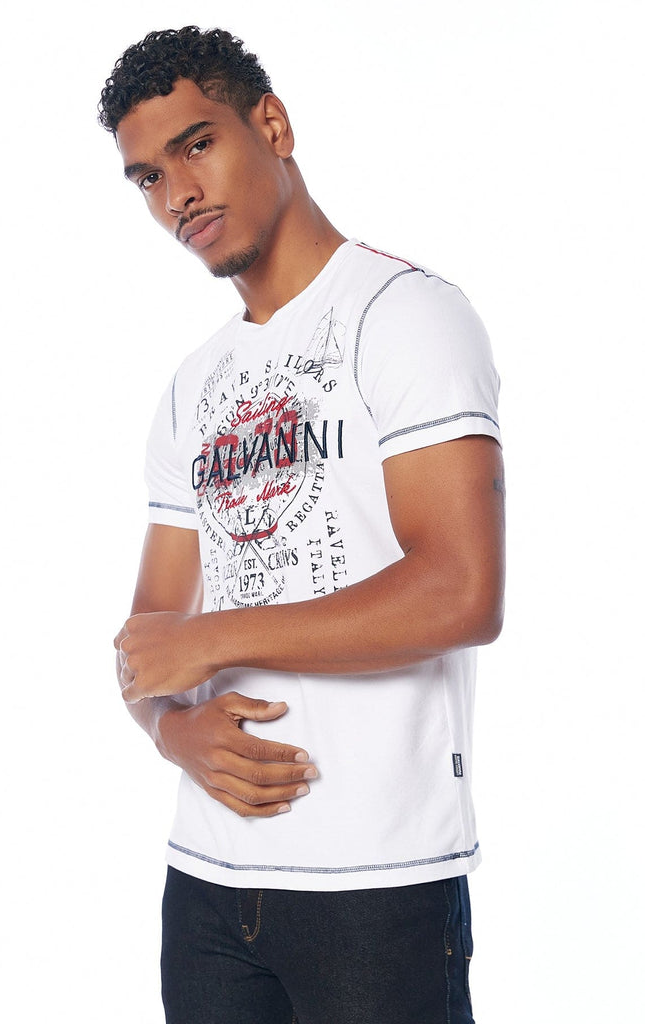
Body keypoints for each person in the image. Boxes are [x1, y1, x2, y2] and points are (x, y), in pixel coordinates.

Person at [101, 25, 505, 1024]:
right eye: (147, 177)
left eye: (196, 145)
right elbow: (148, 644)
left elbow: (460, 592)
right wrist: (172, 732)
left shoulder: (403, 315)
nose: (176, 194)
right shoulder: (192, 386)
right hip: (206, 881)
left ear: (271, 125)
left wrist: (211, 639)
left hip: (375, 878)